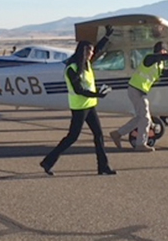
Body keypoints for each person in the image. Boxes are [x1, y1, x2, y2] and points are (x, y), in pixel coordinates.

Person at [40, 29, 115, 176]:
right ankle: (48, 161)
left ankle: (103, 167)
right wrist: (97, 94)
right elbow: (79, 90)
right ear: (83, 52)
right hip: (79, 108)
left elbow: (99, 50)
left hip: (90, 105)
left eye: (92, 52)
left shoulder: (86, 63)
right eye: (89, 51)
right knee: (72, 137)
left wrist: (106, 36)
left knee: (99, 135)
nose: (92, 54)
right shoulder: (72, 68)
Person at [109, 42, 168, 151]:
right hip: (136, 89)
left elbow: (165, 74)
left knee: (140, 118)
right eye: (165, 51)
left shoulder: (159, 64)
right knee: (146, 119)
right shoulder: (149, 59)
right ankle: (140, 144)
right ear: (162, 51)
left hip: (141, 91)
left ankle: (118, 133)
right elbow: (165, 57)